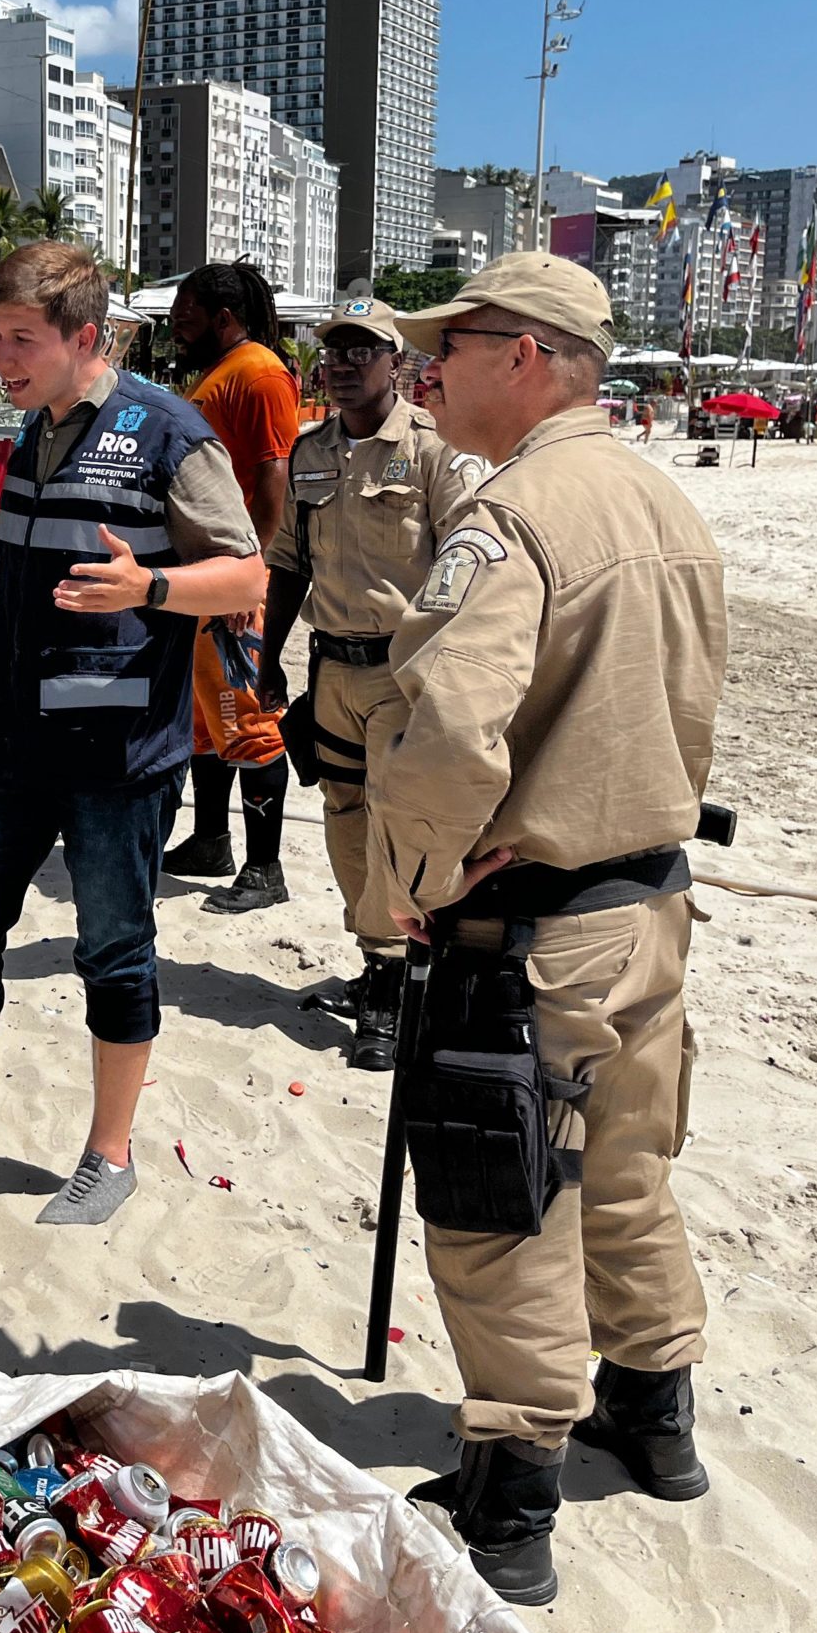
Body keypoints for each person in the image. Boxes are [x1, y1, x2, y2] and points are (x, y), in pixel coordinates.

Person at [365, 253, 725, 1606]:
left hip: (532, 929)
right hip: (650, 905)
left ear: (525, 356)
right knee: (628, 1170)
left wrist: (416, 875)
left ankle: (514, 1490)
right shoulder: (663, 501)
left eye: (447, 348)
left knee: (504, 1197)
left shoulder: (512, 517)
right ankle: (656, 1410)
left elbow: (451, 726)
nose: (429, 372)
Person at [0, 242, 265, 1224]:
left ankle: (107, 1155)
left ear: (86, 337)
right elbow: (43, 554)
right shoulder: (34, 430)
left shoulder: (168, 432)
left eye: (19, 338)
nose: (0, 356)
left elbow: (247, 579)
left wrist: (151, 588)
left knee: (112, 950)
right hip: (5, 744)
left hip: (117, 759)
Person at [255, 296, 484, 1071]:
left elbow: (471, 560)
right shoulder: (311, 451)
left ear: (398, 363)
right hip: (332, 672)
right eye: (335, 352)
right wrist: (268, 658)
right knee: (344, 815)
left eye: (363, 351)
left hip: (404, 673)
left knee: (396, 823)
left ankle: (391, 982)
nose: (346, 365)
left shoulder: (433, 453)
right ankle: (374, 958)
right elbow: (288, 563)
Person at [159, 260, 301, 914]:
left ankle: (265, 868)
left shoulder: (260, 372)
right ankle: (211, 840)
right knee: (209, 719)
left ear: (222, 315)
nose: (175, 326)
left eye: (185, 314)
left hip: (233, 581)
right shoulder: (223, 373)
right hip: (204, 579)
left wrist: (252, 569)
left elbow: (274, 479)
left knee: (248, 722)